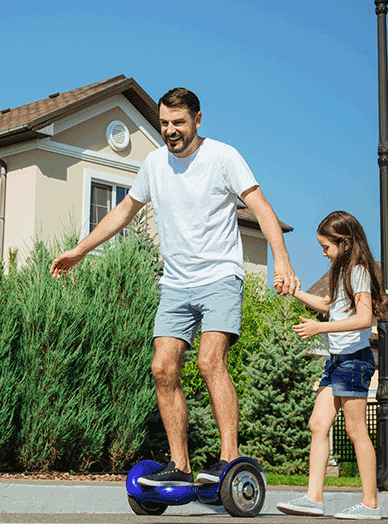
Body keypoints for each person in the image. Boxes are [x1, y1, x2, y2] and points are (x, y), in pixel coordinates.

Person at [50, 87, 299, 486]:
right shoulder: (153, 164)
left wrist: (282, 261)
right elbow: (123, 210)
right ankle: (180, 465)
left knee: (209, 361)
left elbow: (262, 208)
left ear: (198, 120)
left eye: (178, 123)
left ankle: (229, 460)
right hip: (176, 284)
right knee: (162, 369)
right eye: (164, 123)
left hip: (220, 276)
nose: (170, 130)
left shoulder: (223, 157)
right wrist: (80, 249)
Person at [275, 211, 384, 520]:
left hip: (354, 361)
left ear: (345, 243)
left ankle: (370, 504)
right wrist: (294, 291)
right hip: (337, 361)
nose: (323, 253)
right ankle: (314, 498)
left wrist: (319, 329)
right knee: (318, 424)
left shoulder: (360, 271)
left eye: (326, 246)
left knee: (355, 430)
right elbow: (329, 306)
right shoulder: (341, 271)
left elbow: (364, 319)